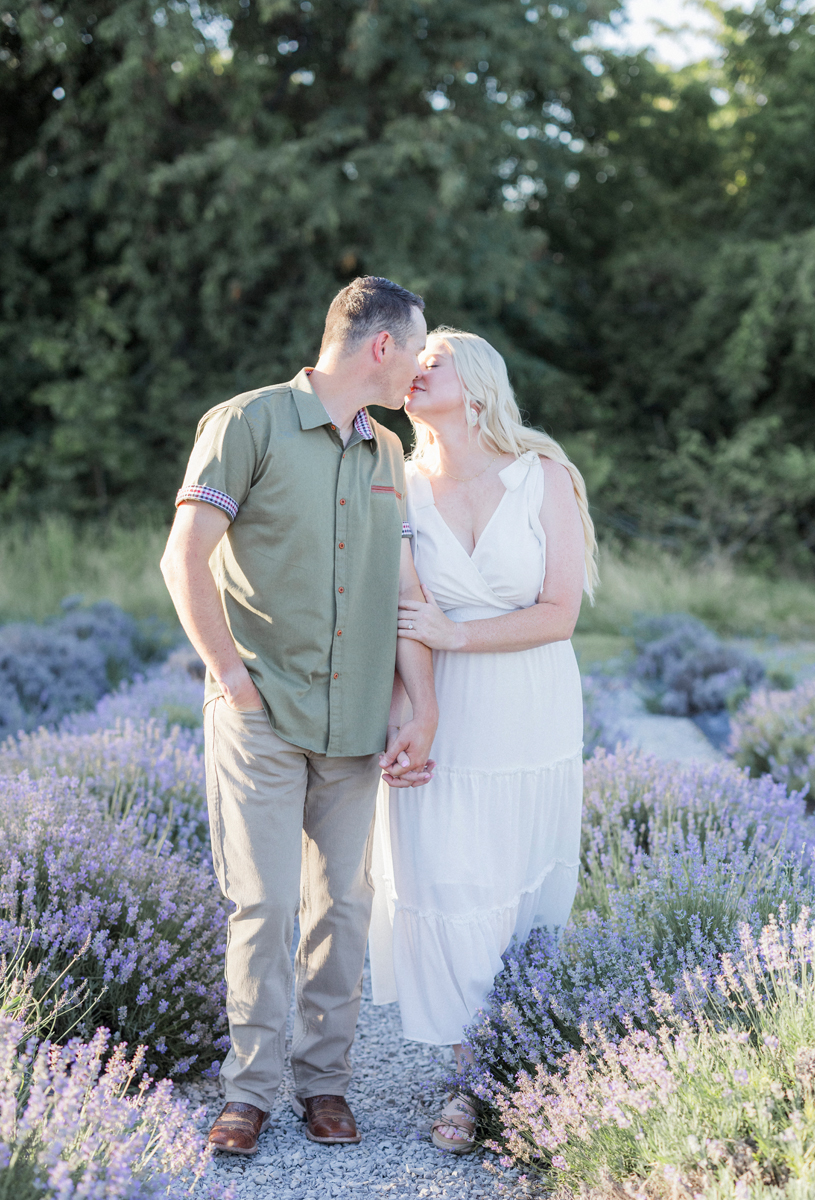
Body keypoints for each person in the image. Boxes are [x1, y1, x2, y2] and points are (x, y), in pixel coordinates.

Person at [160, 277, 438, 1157]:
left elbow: (405, 594)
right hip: (262, 713)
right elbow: (185, 559)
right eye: (417, 349)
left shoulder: (391, 452)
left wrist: (412, 704)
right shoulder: (247, 423)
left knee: (342, 911)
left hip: (356, 724)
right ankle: (247, 1091)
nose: (421, 368)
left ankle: (325, 1087)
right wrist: (234, 683)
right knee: (264, 902)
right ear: (380, 346)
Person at [368, 328, 598, 1153]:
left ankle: (488, 1070)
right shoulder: (394, 480)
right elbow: (402, 613)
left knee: (511, 875)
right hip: (439, 702)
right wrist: (408, 709)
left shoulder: (542, 475)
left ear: (479, 382)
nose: (414, 368)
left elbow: (559, 612)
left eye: (433, 359)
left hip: (528, 702)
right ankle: (472, 1070)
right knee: (448, 871)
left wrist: (458, 635)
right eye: (411, 362)